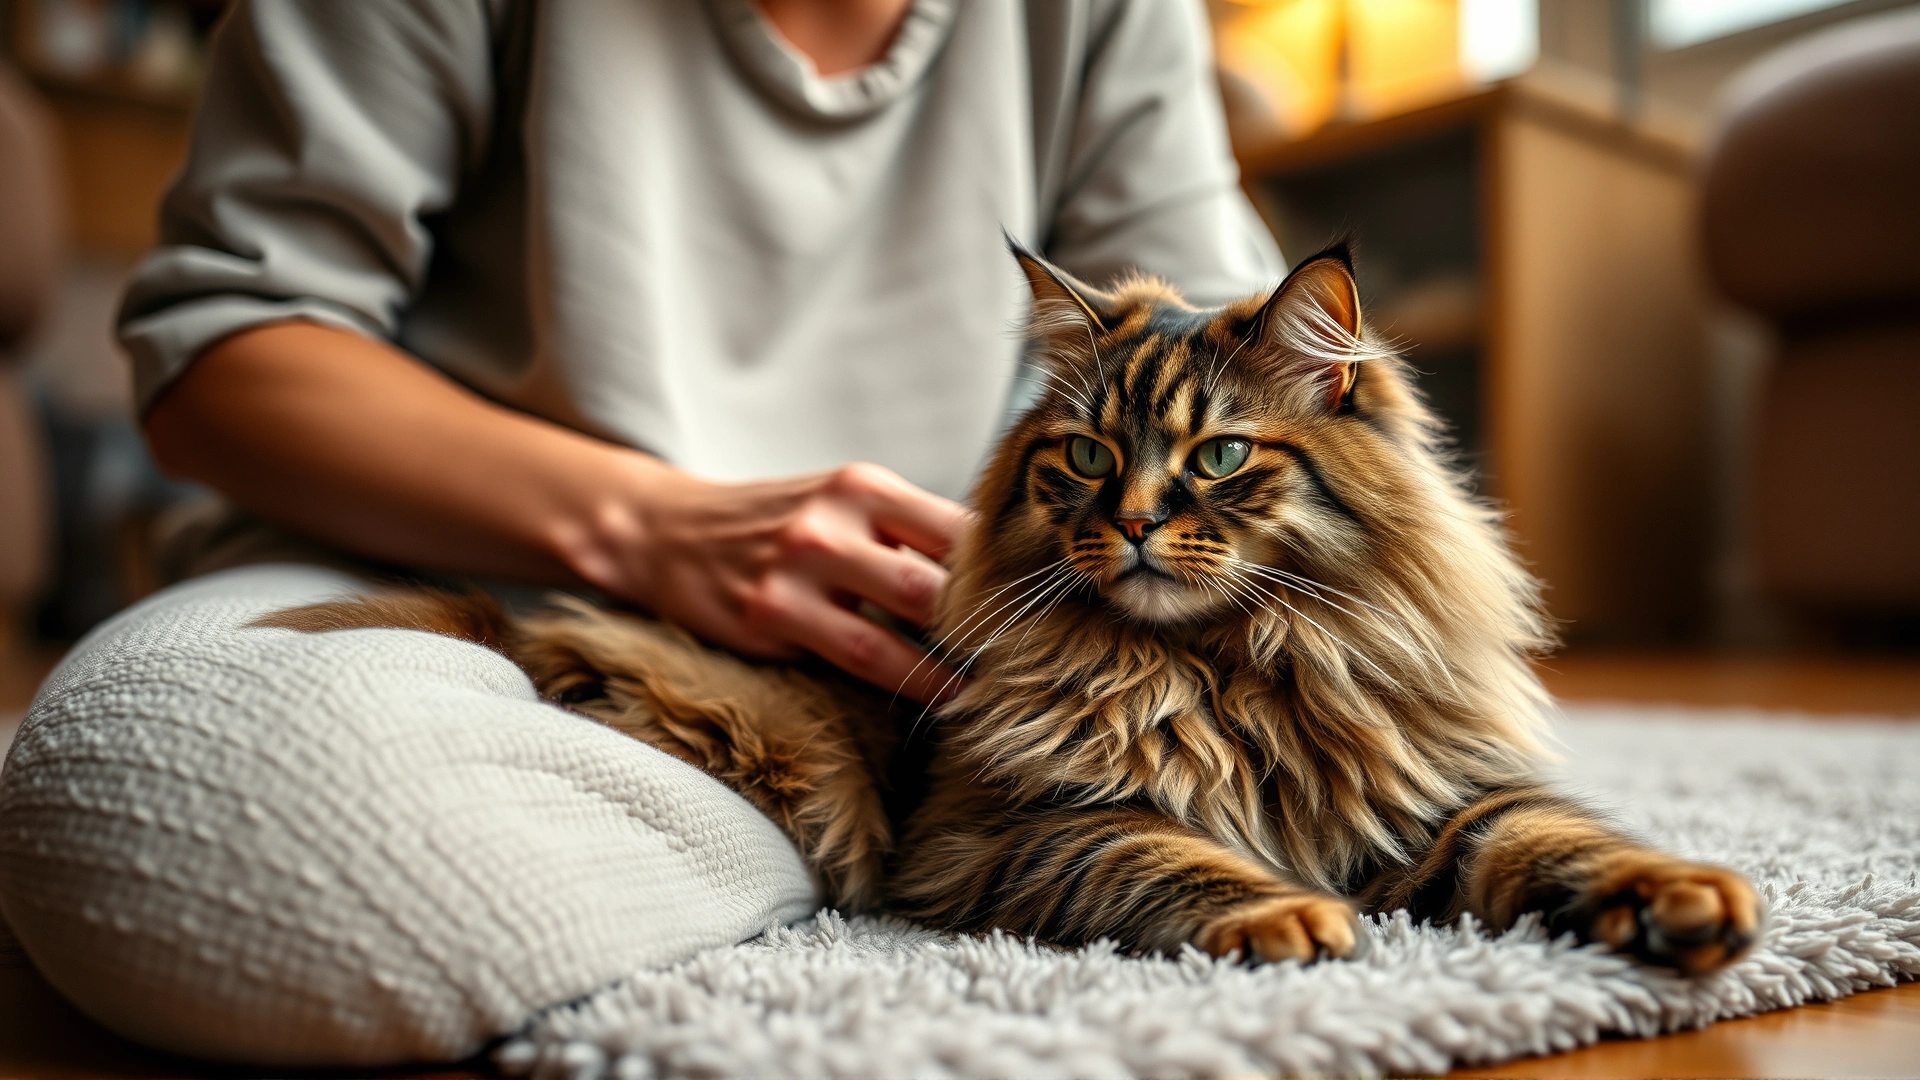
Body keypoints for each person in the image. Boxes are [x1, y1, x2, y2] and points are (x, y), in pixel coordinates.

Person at [0, 0, 1280, 1067]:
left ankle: (856, 830)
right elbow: (219, 360)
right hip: (425, 610)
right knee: (184, 806)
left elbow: (1236, 378)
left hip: (873, 686)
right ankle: (852, 849)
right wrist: (657, 527)